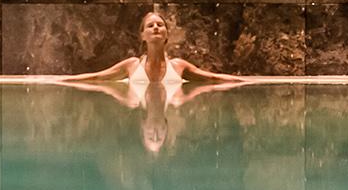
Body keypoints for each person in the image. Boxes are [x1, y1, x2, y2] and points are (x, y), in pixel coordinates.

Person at [55, 9, 247, 151]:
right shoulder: (131, 67)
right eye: (150, 25)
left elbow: (212, 78)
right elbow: (97, 77)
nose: (155, 27)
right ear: (143, 35)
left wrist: (245, 82)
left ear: (167, 34)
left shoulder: (179, 68)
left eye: (160, 25)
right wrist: (63, 82)